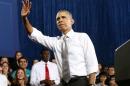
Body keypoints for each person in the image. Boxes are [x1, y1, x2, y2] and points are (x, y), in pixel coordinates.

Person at [21, 0, 99, 86]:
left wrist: (91, 84)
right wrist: (24, 18)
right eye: (58, 19)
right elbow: (35, 35)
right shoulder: (56, 42)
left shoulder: (82, 37)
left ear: (72, 21)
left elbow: (91, 62)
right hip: (63, 82)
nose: (60, 20)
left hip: (80, 82)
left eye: (63, 17)